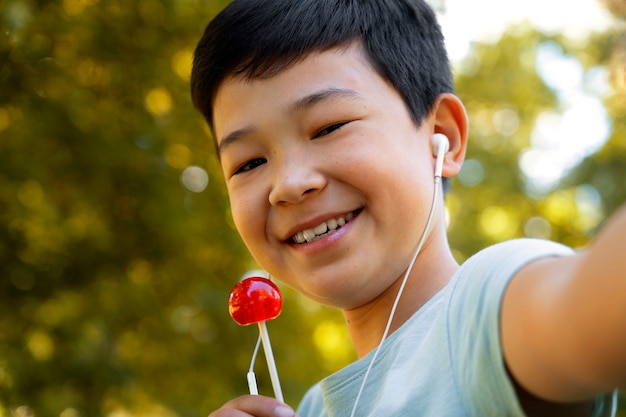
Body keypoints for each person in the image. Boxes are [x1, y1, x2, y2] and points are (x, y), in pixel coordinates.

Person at [190, 0, 625, 415]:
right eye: (249, 162)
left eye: (329, 127)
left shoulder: (484, 312)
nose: (288, 184)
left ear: (442, 136)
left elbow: (586, 301)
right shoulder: (306, 409)